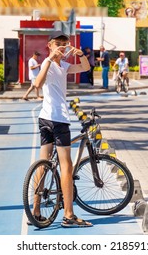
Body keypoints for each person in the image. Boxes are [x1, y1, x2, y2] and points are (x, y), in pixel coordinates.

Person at [33, 31, 92, 228]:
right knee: (65, 166)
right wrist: (49, 59)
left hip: (48, 118)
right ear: (50, 44)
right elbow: (37, 84)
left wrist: (80, 53)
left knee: (43, 163)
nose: (62, 47)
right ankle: (68, 215)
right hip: (56, 120)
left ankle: (36, 212)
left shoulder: (64, 65)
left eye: (65, 44)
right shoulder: (47, 63)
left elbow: (85, 67)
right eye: (58, 43)